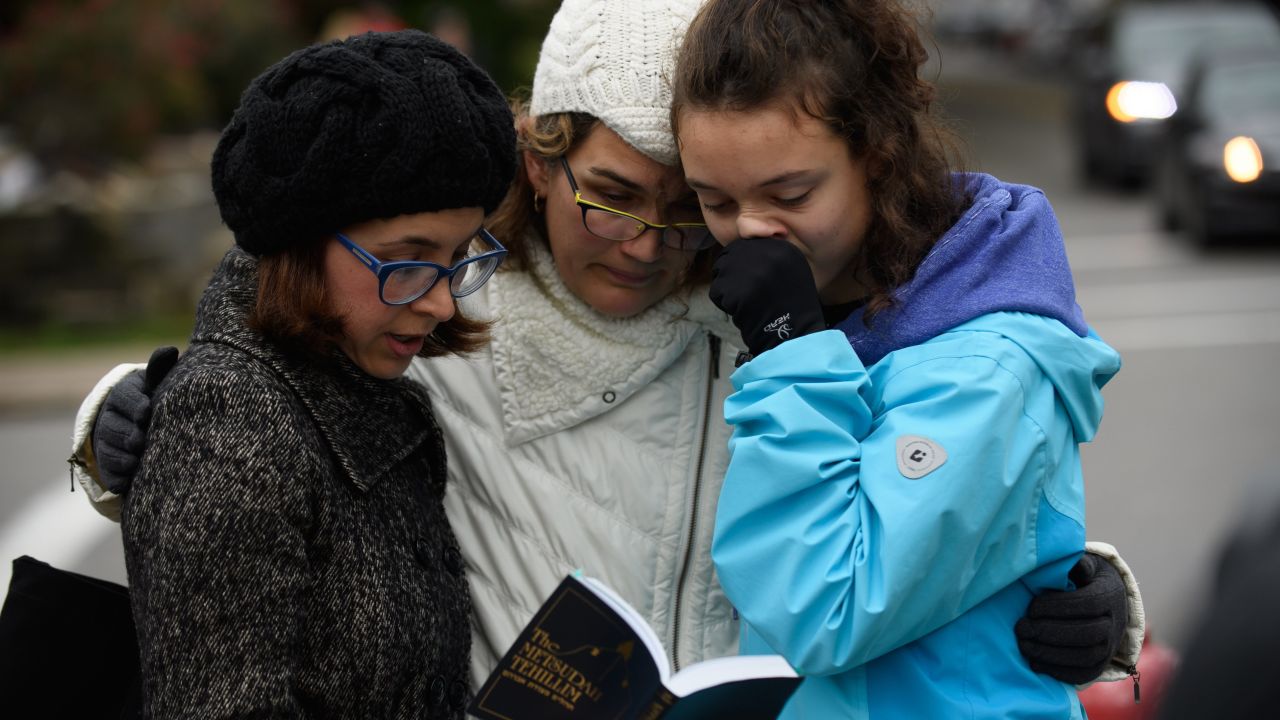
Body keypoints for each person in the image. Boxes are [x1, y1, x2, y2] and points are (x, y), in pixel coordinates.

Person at [71, 0, 1141, 697]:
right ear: (538, 159)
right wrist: (124, 417)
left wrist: (1081, 587)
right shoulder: (438, 304)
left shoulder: (769, 314)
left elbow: (938, 473)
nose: (644, 243)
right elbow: (269, 374)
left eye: (690, 209)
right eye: (612, 196)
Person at [670, 0, 1128, 717]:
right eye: (715, 201)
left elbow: (827, 608)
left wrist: (789, 350)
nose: (752, 231)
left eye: (789, 193)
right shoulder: (798, 292)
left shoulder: (984, 363)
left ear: (878, 154)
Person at [93, 30, 516, 718]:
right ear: (300, 245)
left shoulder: (357, 383)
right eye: (406, 259)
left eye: (458, 254)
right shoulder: (233, 427)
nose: (441, 300)